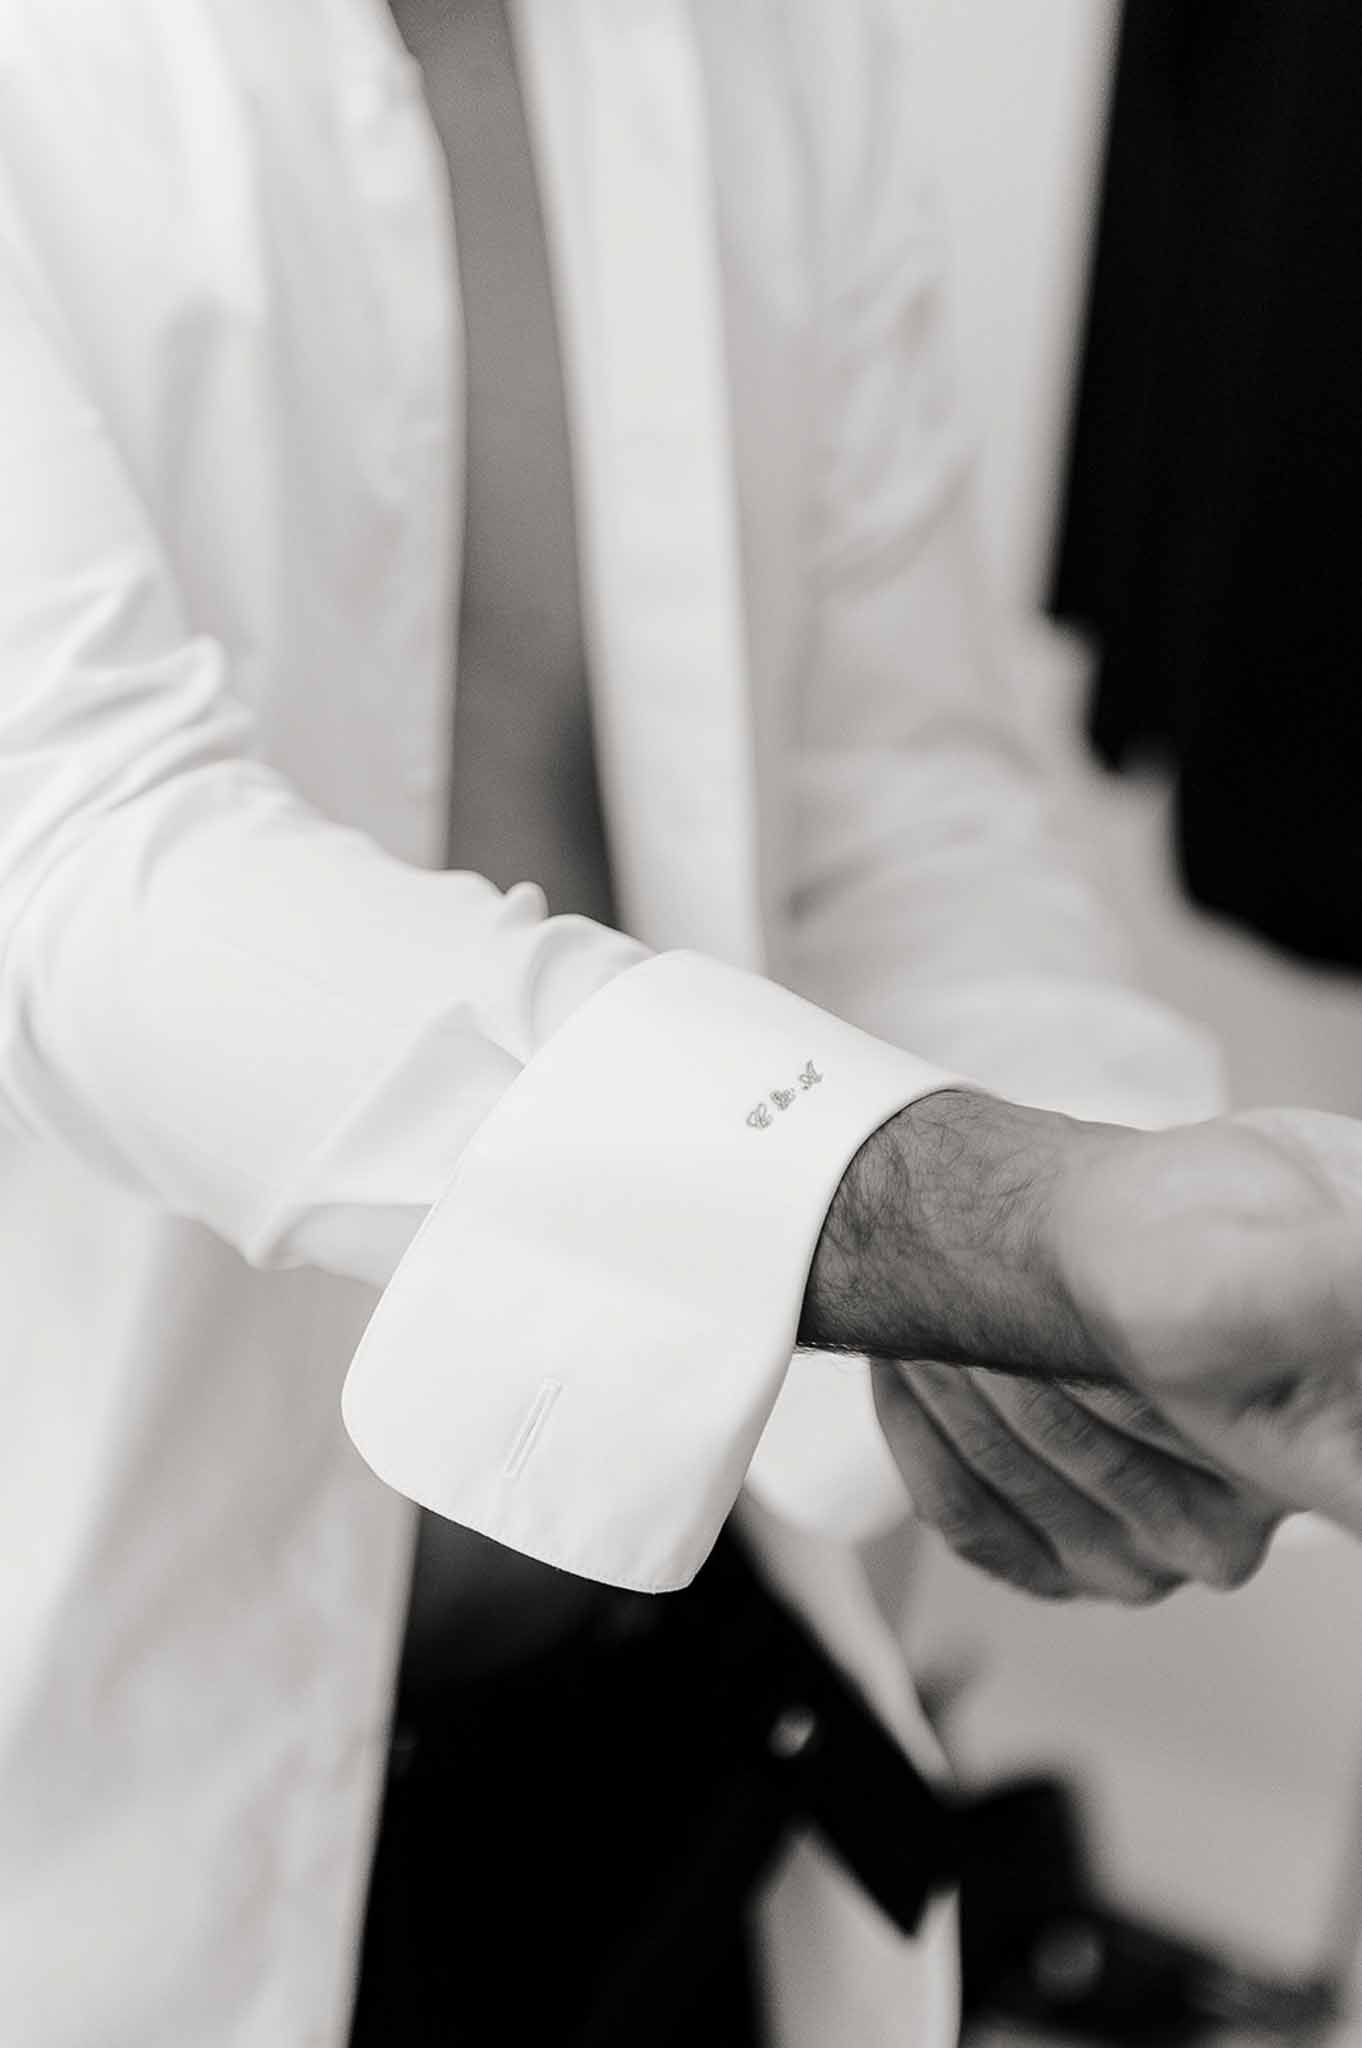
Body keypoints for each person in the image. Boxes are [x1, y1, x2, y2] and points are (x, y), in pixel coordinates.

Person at [2, 3, 1362, 2045]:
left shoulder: (753, 33)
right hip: (93, 1830)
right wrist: (994, 1220)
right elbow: (84, 866)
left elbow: (894, 793)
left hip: (671, 1741)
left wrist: (1112, 1238)